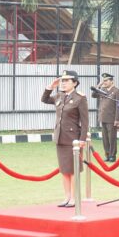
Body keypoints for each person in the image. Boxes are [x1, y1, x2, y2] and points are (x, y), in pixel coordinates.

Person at [41, 70, 89, 207]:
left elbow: (85, 121)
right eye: (62, 80)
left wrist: (82, 139)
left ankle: (74, 197)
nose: (63, 83)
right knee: (64, 170)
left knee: (73, 170)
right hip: (60, 137)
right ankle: (67, 196)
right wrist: (50, 86)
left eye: (67, 80)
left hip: (73, 139)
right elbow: (44, 99)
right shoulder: (59, 96)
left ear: (75, 83)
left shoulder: (80, 98)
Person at [92, 72, 119, 161]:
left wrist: (117, 119)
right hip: (103, 117)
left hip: (111, 118)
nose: (105, 82)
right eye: (103, 80)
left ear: (112, 81)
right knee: (105, 138)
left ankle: (112, 155)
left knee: (111, 138)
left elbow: (118, 106)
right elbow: (93, 95)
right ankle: (107, 154)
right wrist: (99, 85)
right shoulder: (103, 90)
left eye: (106, 80)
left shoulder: (116, 91)